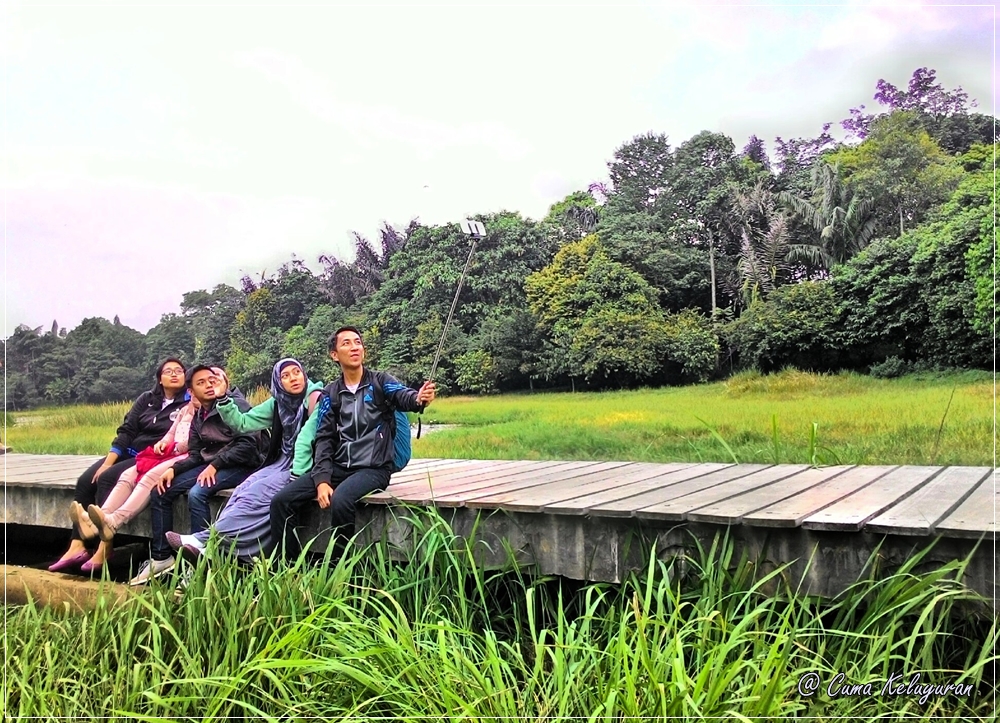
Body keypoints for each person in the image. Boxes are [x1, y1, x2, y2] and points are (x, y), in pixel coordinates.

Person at [269, 326, 436, 562]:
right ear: (334, 355)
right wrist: (322, 479)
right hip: (340, 466)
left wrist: (418, 399)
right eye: (346, 343)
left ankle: (341, 569)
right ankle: (288, 568)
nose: (354, 347)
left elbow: (403, 396)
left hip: (374, 468)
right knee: (281, 501)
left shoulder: (380, 382)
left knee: (341, 499)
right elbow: (324, 439)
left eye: (357, 342)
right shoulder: (331, 394)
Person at [165, 358, 323, 562]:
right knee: (242, 491)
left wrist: (295, 478)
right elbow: (243, 423)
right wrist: (222, 399)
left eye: (296, 372)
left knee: (256, 495)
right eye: (285, 376)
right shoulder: (278, 402)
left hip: (304, 466)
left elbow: (305, 440)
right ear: (277, 382)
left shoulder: (317, 399)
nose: (293, 378)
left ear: (304, 373)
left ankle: (203, 539)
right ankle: (214, 549)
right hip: (282, 462)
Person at [47, 358, 190, 573]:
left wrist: (109, 469)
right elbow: (127, 430)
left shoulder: (188, 404)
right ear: (159, 378)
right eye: (168, 371)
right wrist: (108, 460)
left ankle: (105, 546)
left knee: (106, 478)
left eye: (179, 371)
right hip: (129, 451)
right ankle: (76, 544)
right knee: (87, 480)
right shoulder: (147, 400)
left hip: (151, 456)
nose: (174, 374)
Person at [127, 364, 264, 584]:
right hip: (214, 465)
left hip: (243, 465)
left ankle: (201, 561)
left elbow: (248, 443)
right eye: (201, 383)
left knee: (197, 493)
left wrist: (217, 464)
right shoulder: (200, 414)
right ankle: (162, 557)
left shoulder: (234, 404)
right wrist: (173, 469)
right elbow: (195, 453)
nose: (209, 385)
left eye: (211, 380)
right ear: (191, 391)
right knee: (160, 491)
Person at [75, 386, 199, 572]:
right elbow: (170, 433)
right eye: (196, 386)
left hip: (187, 457)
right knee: (127, 475)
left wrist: (175, 447)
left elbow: (200, 441)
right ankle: (98, 520)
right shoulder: (184, 409)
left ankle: (114, 521)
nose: (198, 392)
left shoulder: (209, 411)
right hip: (169, 453)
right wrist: (162, 443)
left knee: (149, 478)